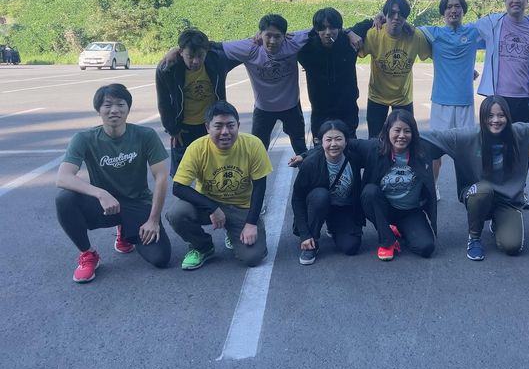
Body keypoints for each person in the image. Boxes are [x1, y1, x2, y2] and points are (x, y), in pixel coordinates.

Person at [55, 84, 171, 283]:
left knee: (160, 258)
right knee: (65, 199)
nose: (114, 110)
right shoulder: (84, 139)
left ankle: (125, 232)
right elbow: (63, 177)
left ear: (128, 108)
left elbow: (161, 177)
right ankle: (88, 254)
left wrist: (153, 220)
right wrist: (101, 193)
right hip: (105, 205)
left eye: (120, 104)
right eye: (107, 105)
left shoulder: (145, 135)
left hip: (137, 203)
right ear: (98, 110)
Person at [424, 96, 529, 261]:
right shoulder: (467, 136)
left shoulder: (520, 133)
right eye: (490, 116)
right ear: (482, 117)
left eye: (501, 115)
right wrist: (404, 134)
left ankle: (497, 221)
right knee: (483, 190)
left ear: (507, 116)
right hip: (478, 193)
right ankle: (474, 237)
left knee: (512, 246)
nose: (495, 120)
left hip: (507, 200)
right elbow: (434, 136)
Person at [167, 101, 271, 270]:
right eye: (218, 126)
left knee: (252, 257)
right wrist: (213, 208)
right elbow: (178, 187)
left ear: (238, 126)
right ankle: (203, 246)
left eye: (230, 125)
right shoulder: (197, 148)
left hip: (241, 206)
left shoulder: (253, 145)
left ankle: (234, 232)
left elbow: (260, 186)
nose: (225, 132)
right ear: (208, 127)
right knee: (177, 214)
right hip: (208, 207)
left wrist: (251, 223)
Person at [418, 0, 484, 195]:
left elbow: (498, 40)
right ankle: (433, 187)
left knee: (466, 152)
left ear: (463, 11)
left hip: (465, 102)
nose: (453, 10)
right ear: (443, 12)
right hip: (441, 102)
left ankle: (469, 189)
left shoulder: (474, 33)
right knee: (435, 151)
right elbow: (407, 30)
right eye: (449, 7)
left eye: (457, 6)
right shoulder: (433, 33)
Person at [222, 14, 311, 155]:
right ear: (260, 34)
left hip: (291, 107)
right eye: (268, 35)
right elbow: (215, 47)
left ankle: (306, 170)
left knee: (301, 149)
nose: (272, 41)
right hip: (263, 109)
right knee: (257, 152)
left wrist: (347, 33)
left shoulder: (292, 42)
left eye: (277, 36)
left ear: (285, 35)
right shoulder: (250, 47)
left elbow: (322, 28)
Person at [156, 28, 240, 175]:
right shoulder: (168, 68)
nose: (195, 61)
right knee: (181, 175)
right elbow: (163, 101)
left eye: (200, 56)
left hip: (211, 126)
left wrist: (259, 38)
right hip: (183, 128)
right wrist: (172, 129)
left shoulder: (217, 61)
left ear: (207, 51)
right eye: (190, 56)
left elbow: (242, 48)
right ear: (181, 52)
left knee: (214, 171)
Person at [360, 110, 437, 260]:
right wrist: (310, 153)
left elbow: (450, 141)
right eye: (397, 130)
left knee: (426, 248)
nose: (402, 135)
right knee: (369, 192)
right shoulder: (375, 148)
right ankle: (387, 241)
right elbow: (344, 143)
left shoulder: (422, 150)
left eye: (407, 131)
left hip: (410, 211)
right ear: (388, 130)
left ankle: (400, 228)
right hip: (384, 209)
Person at [290, 119, 369, 265]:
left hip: (342, 207)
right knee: (321, 195)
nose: (334, 144)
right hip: (317, 205)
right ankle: (312, 242)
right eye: (328, 140)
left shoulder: (354, 157)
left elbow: (375, 149)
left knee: (351, 247)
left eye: (338, 139)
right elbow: (297, 199)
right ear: (320, 142)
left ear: (346, 141)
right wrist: (304, 234)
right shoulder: (310, 163)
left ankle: (333, 226)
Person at [360, 0, 432, 138]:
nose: (396, 17)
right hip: (377, 97)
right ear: (385, 14)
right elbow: (352, 50)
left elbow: (438, 54)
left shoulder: (415, 36)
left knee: (404, 139)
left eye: (401, 14)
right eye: (392, 13)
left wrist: (464, 68)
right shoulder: (374, 34)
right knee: (375, 140)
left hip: (403, 98)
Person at [475, 0, 529, 124]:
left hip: (524, 98)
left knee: (523, 136)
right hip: (497, 97)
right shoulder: (491, 23)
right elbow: (464, 38)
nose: (516, 0)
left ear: (527, 1)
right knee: (497, 136)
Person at [297, 8, 372, 141]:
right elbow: (282, 36)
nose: (327, 33)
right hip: (320, 112)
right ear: (316, 30)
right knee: (321, 149)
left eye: (332, 27)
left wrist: (349, 32)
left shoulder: (349, 43)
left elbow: (371, 22)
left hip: (347, 109)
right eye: (322, 28)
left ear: (339, 28)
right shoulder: (306, 49)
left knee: (349, 146)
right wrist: (259, 36)